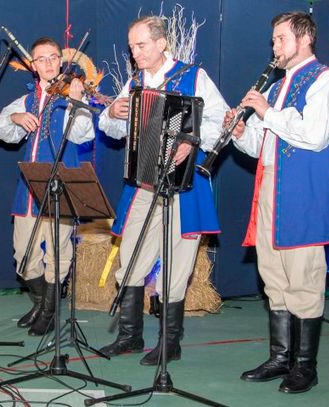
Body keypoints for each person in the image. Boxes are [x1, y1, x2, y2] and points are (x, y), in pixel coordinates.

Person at [227, 11, 329, 393]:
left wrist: (265, 111)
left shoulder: (327, 81)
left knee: (304, 279)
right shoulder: (279, 87)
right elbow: (262, 146)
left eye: (280, 39)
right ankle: (280, 358)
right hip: (269, 189)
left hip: (302, 195)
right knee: (274, 278)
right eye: (274, 40)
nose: (274, 47)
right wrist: (242, 131)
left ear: (305, 38)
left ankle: (305, 366)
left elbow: (314, 135)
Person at [98, 16, 227, 366]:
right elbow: (109, 129)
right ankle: (129, 336)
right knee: (130, 260)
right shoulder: (135, 82)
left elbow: (221, 119)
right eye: (131, 47)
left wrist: (193, 141)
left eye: (141, 46)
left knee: (176, 263)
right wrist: (111, 111)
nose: (135, 53)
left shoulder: (193, 76)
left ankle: (171, 343)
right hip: (143, 181)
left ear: (161, 43)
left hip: (183, 183)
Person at [0, 37, 95, 336]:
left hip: (62, 183)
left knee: (58, 254)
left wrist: (76, 104)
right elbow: (1, 130)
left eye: (52, 58)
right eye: (41, 59)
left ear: (60, 62)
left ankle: (49, 310)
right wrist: (15, 116)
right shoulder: (27, 99)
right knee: (23, 257)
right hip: (29, 187)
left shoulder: (72, 94)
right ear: (33, 66)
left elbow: (83, 135)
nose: (48, 64)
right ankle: (40, 302)